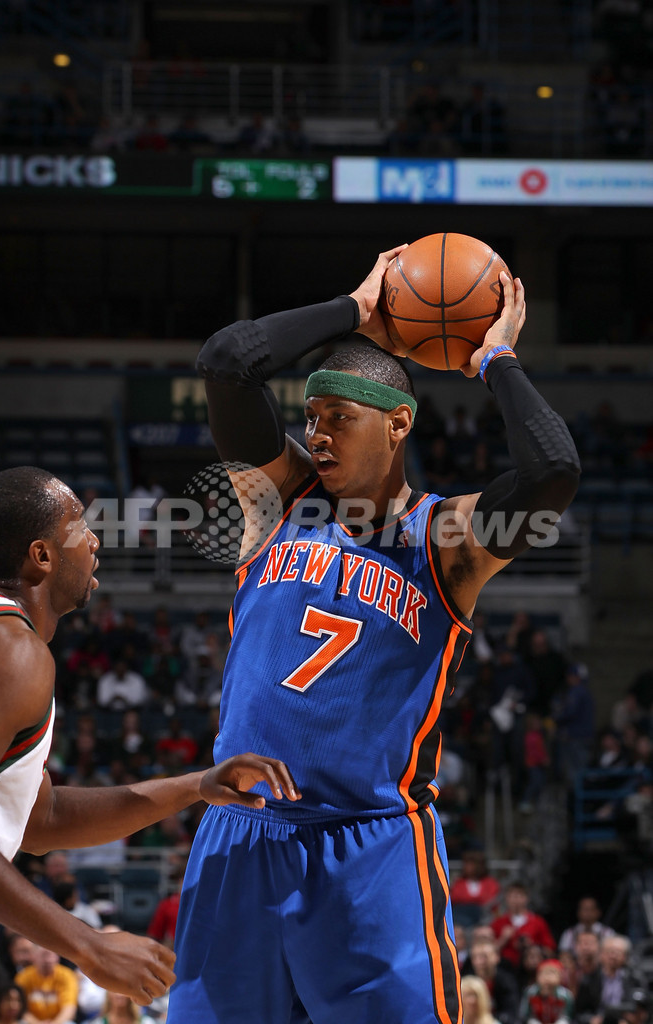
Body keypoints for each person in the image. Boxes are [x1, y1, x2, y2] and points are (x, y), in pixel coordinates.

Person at [166, 245, 580, 1023]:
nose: (316, 435)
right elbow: (226, 362)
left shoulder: (446, 540)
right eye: (311, 418)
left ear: (397, 424)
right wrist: (356, 310)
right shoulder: (276, 502)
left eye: (338, 418)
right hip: (239, 837)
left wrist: (495, 360)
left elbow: (551, 471)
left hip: (369, 849)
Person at [0, 467, 300, 1024]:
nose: (95, 540)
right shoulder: (10, 650)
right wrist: (87, 945)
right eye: (80, 527)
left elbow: (43, 819)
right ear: (42, 557)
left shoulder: (0, 645)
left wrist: (195, 786)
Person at [491, 882, 556, 969]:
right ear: (506, 898)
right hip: (505, 967)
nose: (516, 900)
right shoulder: (498, 923)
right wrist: (503, 939)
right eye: (513, 896)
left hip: (532, 968)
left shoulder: (538, 922)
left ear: (526, 898)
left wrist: (532, 945)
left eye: (519, 896)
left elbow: (550, 951)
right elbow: (488, 951)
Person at [14, 944, 78, 1024]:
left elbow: (69, 1008)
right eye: (44, 955)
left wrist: (55, 1023)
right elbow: (21, 1009)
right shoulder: (23, 977)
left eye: (51, 955)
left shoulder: (67, 975)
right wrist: (37, 1023)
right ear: (34, 956)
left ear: (57, 957)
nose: (48, 960)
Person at [519, 958, 574, 1024]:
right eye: (543, 973)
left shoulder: (566, 995)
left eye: (551, 973)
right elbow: (524, 1016)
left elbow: (568, 1017)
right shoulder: (530, 992)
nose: (547, 977)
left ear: (560, 976)